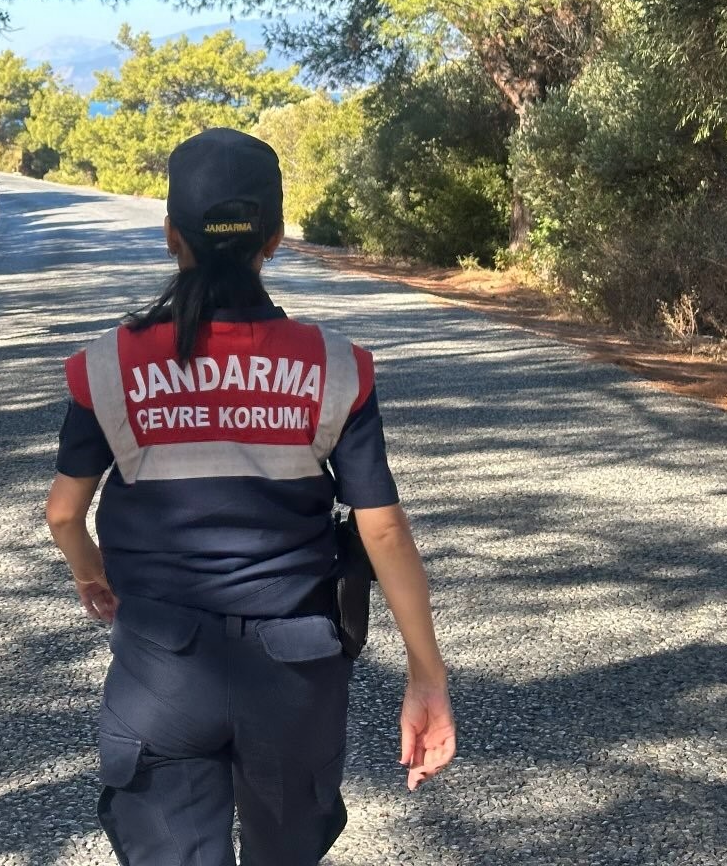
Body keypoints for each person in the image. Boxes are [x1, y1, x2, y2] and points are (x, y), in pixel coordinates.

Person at [46, 127, 455, 866]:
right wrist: (427, 674)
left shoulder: (106, 366)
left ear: (172, 236)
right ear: (274, 237)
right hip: (295, 673)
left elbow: (64, 513)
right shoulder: (337, 368)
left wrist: (91, 572)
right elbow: (384, 533)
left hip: (160, 668)